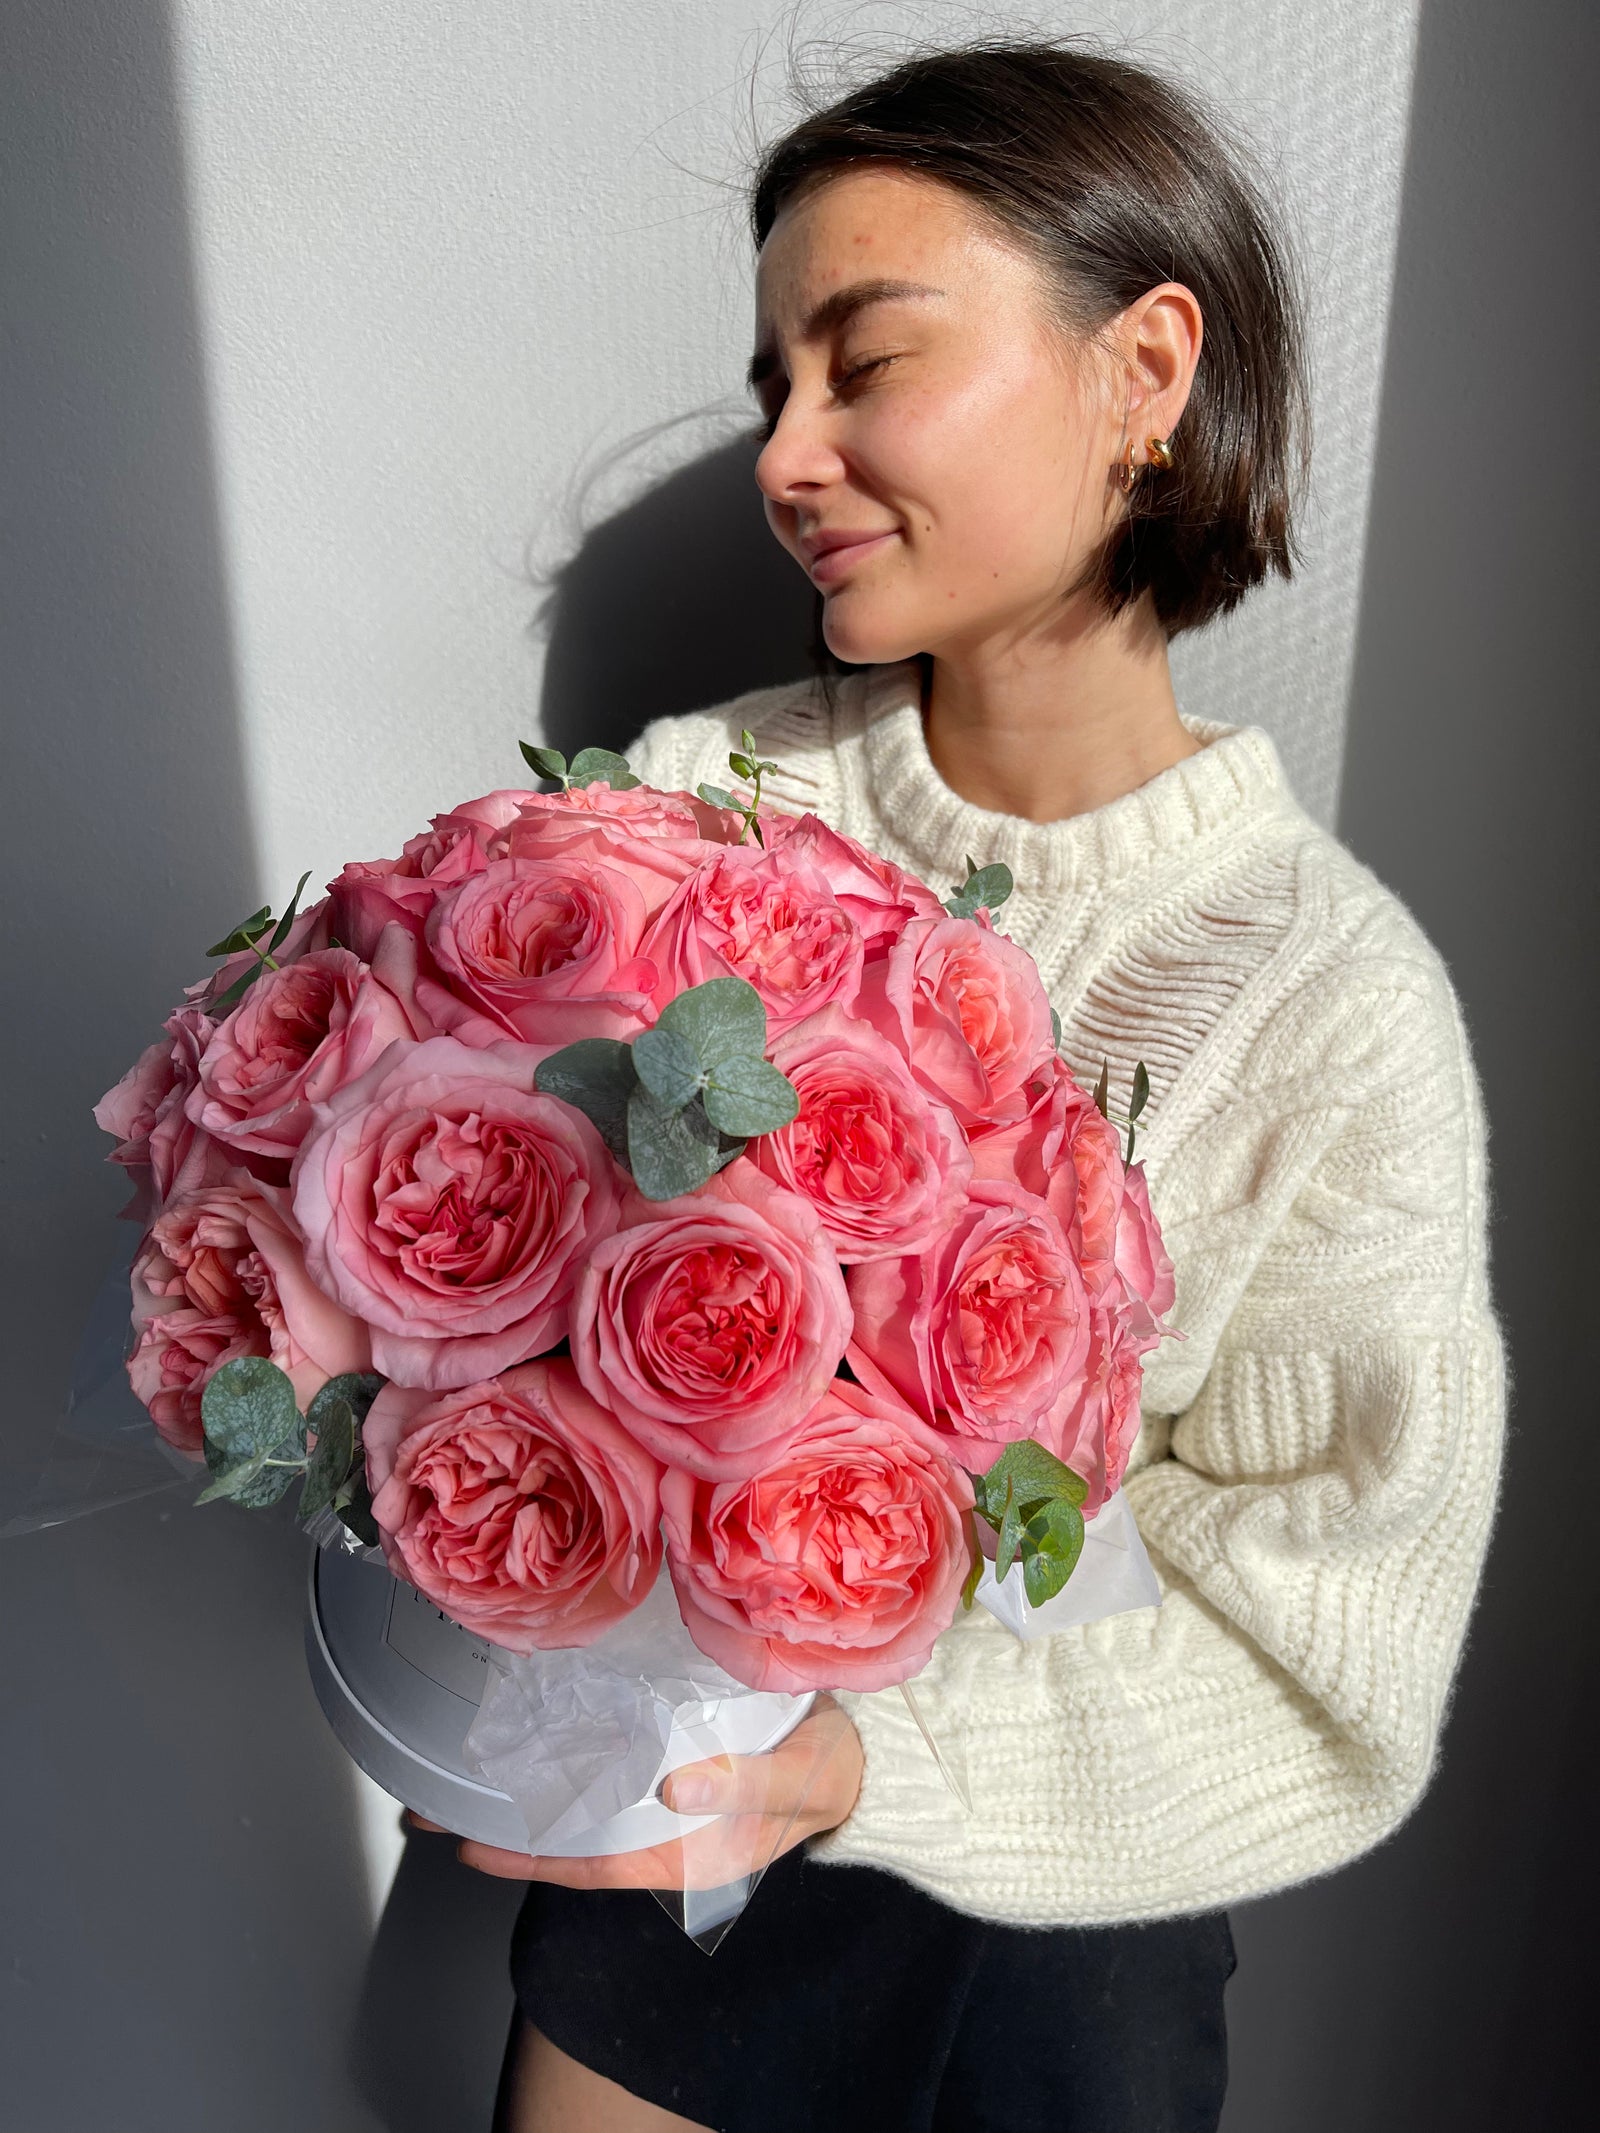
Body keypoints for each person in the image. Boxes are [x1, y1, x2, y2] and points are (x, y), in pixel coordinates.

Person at [415, 38, 1506, 2133]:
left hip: (1051, 1915)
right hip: (680, 1837)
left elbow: (1315, 1634)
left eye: (867, 361)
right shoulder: (687, 813)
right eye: (771, 389)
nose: (789, 451)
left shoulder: (1331, 1005)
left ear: (1141, 373)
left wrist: (878, 1759)